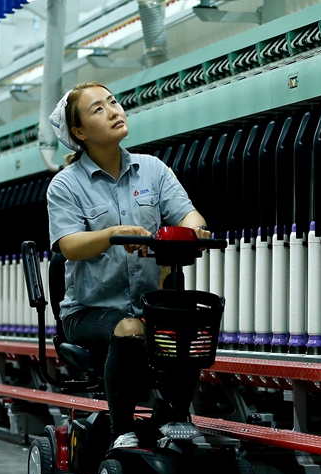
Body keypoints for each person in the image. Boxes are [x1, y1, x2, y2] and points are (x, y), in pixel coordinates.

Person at [46, 81, 209, 448]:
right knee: (130, 327)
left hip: (149, 305)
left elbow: (189, 215)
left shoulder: (153, 170)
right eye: (98, 109)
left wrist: (195, 230)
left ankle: (172, 419)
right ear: (79, 132)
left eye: (114, 102)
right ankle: (122, 432)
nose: (114, 111)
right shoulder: (66, 185)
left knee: (191, 324)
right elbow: (69, 245)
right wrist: (112, 234)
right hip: (88, 311)